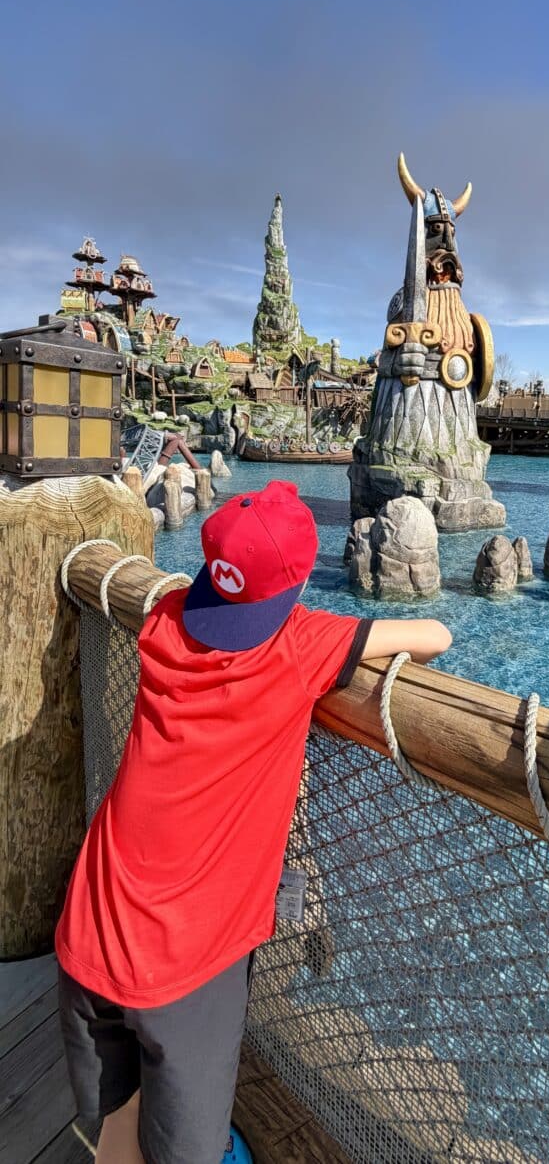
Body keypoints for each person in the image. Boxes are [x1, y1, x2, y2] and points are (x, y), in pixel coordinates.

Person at [55, 481, 452, 1164]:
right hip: (185, 962)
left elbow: (201, 604)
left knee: (116, 1122)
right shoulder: (298, 644)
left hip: (90, 924)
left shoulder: (168, 618)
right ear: (296, 588)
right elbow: (433, 635)